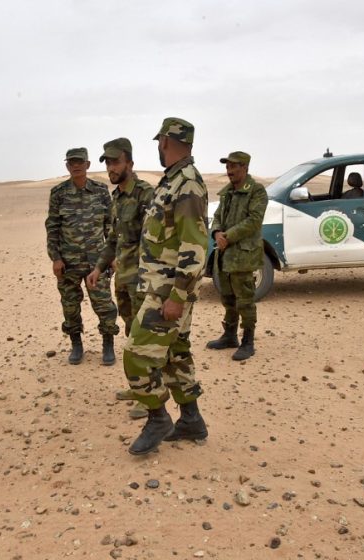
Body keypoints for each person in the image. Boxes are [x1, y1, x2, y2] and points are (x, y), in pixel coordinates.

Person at [122, 117, 209, 455]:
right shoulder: (174, 181)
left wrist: (177, 296)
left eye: (159, 141)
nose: (157, 147)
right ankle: (191, 420)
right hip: (164, 288)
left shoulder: (186, 184)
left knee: (136, 355)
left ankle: (157, 417)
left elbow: (194, 247)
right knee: (175, 356)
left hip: (168, 292)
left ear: (166, 141)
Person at [86, 138, 155, 419]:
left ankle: (150, 397)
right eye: (107, 162)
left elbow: (154, 240)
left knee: (145, 339)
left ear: (129, 163)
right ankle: (138, 388)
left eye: (115, 161)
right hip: (123, 279)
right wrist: (99, 268)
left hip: (143, 279)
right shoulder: (117, 198)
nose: (111, 168)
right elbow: (113, 239)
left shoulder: (145, 194)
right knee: (130, 333)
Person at [46, 148, 120, 365]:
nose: (76, 166)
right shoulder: (58, 193)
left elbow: (111, 226)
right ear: (67, 166)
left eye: (80, 162)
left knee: (104, 305)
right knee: (70, 306)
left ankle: (108, 344)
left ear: (87, 165)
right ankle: (76, 344)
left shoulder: (100, 191)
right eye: (71, 163)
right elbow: (53, 227)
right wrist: (55, 258)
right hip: (68, 263)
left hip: (97, 261)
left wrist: (112, 256)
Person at [206, 151, 268, 361]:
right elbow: (216, 217)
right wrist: (216, 232)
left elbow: (254, 220)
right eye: (227, 167)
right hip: (224, 255)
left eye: (234, 167)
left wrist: (228, 236)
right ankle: (230, 335)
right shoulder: (227, 193)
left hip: (242, 255)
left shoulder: (256, 191)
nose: (229, 171)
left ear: (245, 168)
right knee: (227, 297)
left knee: (245, 300)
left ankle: (248, 342)